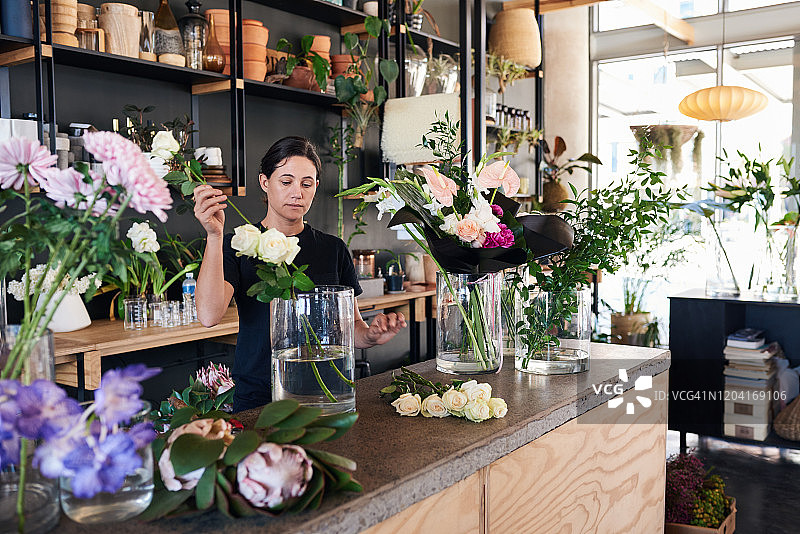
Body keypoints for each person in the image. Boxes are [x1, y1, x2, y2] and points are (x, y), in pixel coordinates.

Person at [193, 136, 406, 411]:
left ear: (316, 186)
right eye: (286, 182)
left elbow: (351, 330)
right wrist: (213, 236)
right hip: (260, 398)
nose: (297, 193)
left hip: (327, 395)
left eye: (306, 184)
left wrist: (371, 336)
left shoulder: (333, 249)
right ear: (264, 182)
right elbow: (209, 316)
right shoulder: (239, 244)